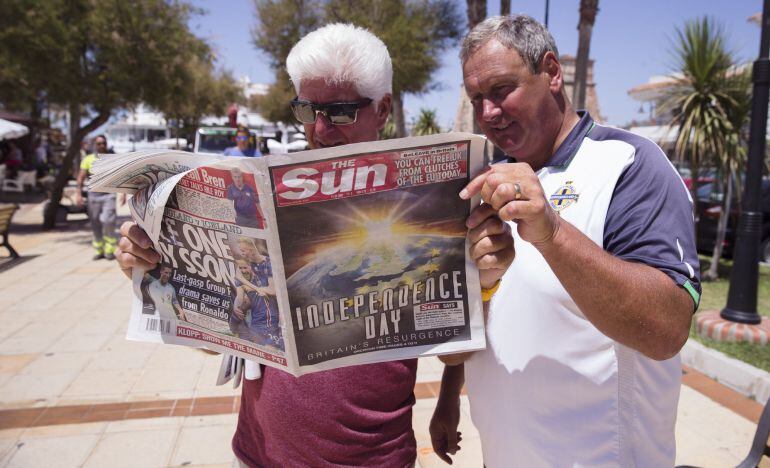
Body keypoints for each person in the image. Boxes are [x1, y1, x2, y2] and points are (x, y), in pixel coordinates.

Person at [115, 23, 513, 467]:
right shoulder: (264, 191)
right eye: (306, 110)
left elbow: (454, 351)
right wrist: (155, 269)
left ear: (382, 109)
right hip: (258, 454)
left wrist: (483, 285)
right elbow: (218, 343)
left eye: (340, 112)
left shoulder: (431, 196)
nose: (320, 129)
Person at [429, 15, 701, 467]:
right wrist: (448, 395)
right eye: (477, 98)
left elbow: (667, 330)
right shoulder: (486, 181)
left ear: (552, 72)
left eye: (501, 90)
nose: (488, 112)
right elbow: (480, 328)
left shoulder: (629, 164)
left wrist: (553, 234)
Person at [76, 135, 120, 260]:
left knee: (108, 221)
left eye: (104, 143)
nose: (101, 145)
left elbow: (119, 176)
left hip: (109, 195)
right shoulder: (88, 159)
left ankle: (110, 250)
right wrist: (78, 193)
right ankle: (99, 249)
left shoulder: (112, 159)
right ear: (94, 145)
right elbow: (81, 177)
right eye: (99, 143)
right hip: (93, 195)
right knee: (95, 222)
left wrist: (122, 194)